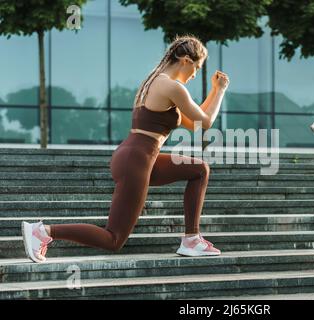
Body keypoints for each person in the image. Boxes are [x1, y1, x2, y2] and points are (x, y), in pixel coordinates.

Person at [21, 34, 230, 263]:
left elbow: (194, 123)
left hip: (138, 156)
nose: (194, 75)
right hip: (137, 160)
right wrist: (219, 90)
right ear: (186, 61)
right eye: (197, 68)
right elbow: (205, 123)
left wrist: (213, 90)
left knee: (199, 169)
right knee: (114, 238)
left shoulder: (155, 81)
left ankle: (191, 239)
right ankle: (42, 231)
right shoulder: (172, 87)